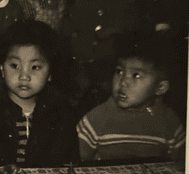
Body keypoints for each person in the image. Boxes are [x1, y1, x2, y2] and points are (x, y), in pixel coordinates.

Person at [0, 20, 78, 168]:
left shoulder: (60, 113)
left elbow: (68, 162)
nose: (24, 76)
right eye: (15, 66)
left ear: (50, 73)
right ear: (2, 69)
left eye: (35, 67)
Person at [77, 32, 185, 161]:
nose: (123, 82)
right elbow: (78, 162)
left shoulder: (169, 121)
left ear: (160, 87)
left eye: (136, 75)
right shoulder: (96, 119)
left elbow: (181, 166)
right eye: (119, 71)